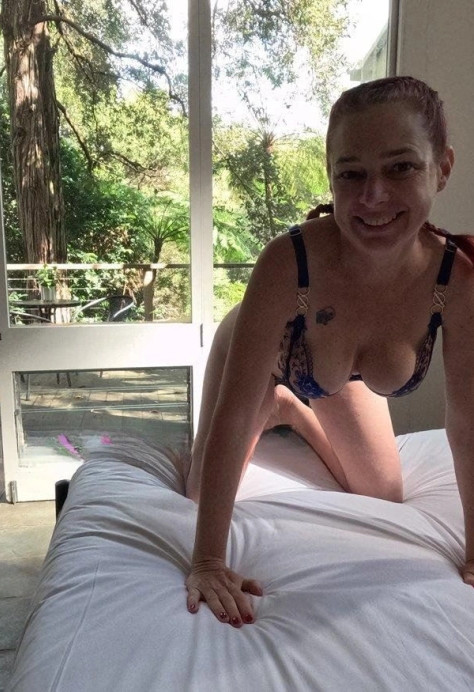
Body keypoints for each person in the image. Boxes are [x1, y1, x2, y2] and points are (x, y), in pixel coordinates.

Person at [184, 76, 474, 628]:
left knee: (384, 493)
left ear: (442, 167)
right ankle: (276, 396)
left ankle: (291, 408)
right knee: (199, 494)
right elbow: (234, 412)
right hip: (274, 345)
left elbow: (468, 425)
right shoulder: (286, 261)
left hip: (339, 369)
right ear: (331, 177)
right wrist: (208, 562)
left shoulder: (456, 280)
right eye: (351, 174)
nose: (373, 196)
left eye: (400, 167)